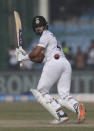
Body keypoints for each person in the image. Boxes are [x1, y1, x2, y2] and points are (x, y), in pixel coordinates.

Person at [15, 16, 86, 124]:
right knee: (64, 96)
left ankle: (60, 115)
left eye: (40, 25)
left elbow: (35, 53)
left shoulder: (45, 35)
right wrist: (24, 56)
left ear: (45, 25)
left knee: (41, 92)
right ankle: (77, 106)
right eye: (36, 27)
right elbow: (40, 58)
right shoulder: (50, 36)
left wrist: (23, 57)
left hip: (54, 63)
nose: (38, 28)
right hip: (65, 64)